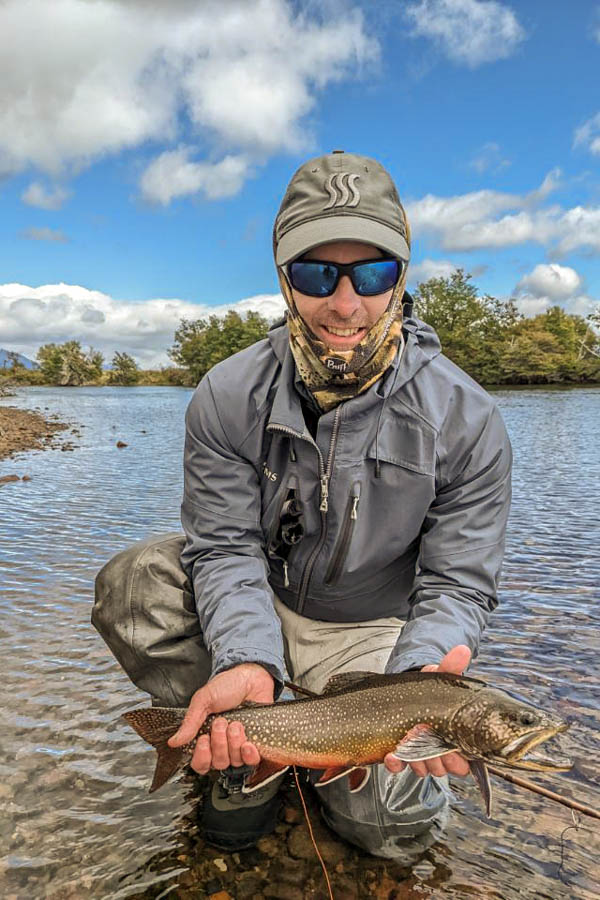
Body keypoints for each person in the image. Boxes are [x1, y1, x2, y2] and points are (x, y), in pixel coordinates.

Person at [93, 150, 512, 859]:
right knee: (136, 583)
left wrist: (417, 687)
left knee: (392, 835)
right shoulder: (227, 395)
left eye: (372, 273)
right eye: (318, 273)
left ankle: (301, 751)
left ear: (401, 277)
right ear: (285, 280)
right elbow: (224, 548)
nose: (345, 304)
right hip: (260, 603)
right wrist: (245, 658)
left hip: (377, 635)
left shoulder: (469, 419)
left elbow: (458, 584)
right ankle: (238, 748)